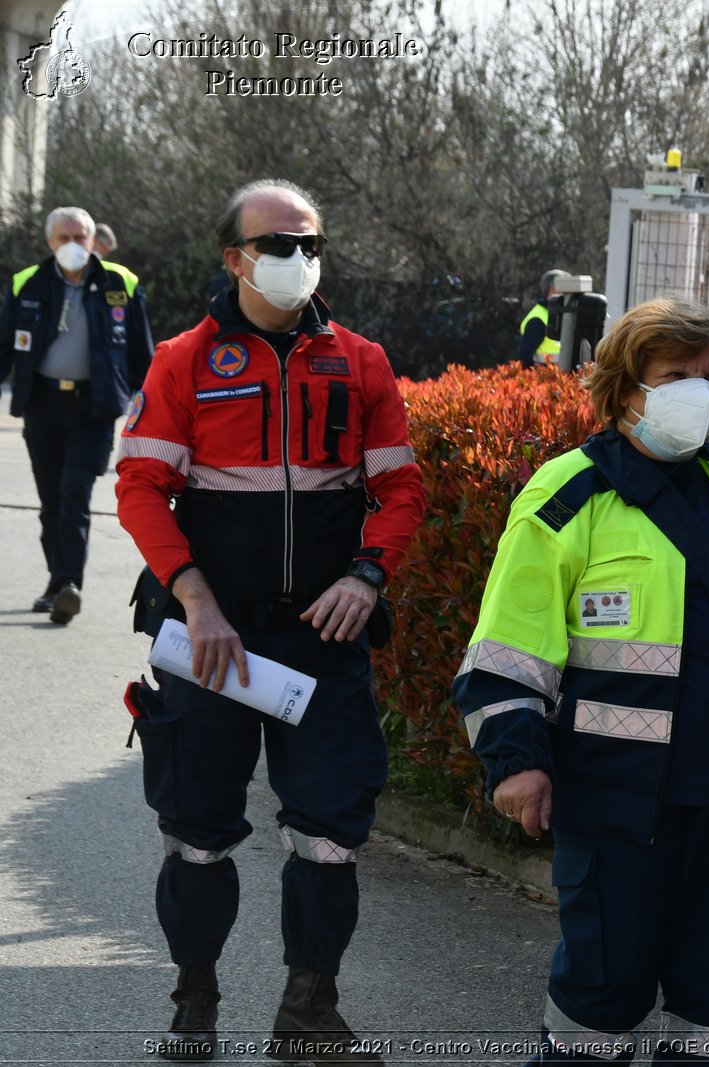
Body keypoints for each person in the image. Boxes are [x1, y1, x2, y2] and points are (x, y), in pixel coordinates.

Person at [454, 296, 709, 1064]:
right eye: (676, 375)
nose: (699, 392)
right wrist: (516, 761)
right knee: (596, 1014)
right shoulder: (565, 498)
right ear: (625, 390)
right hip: (617, 808)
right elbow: (505, 656)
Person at [115, 179, 425, 1062]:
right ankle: (195, 999)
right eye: (278, 244)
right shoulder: (182, 359)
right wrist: (197, 601)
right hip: (208, 637)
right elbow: (141, 490)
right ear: (235, 258)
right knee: (197, 832)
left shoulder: (361, 361)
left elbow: (400, 489)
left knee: (329, 834)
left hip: (322, 641)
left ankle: (308, 1012)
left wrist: (368, 576)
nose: (297, 260)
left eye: (310, 244)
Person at [0, 206, 153, 623]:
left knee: (74, 494)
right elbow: (4, 345)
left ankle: (68, 584)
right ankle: (57, 581)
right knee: (50, 502)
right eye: (64, 238)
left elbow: (142, 352)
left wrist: (152, 404)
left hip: (96, 406)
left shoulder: (120, 282)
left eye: (79, 238)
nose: (73, 246)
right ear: (50, 242)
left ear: (93, 240)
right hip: (42, 404)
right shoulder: (27, 283)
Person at [515, 268, 572, 367]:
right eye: (566, 288)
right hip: (545, 378)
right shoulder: (537, 320)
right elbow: (524, 359)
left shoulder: (560, 316)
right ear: (552, 289)